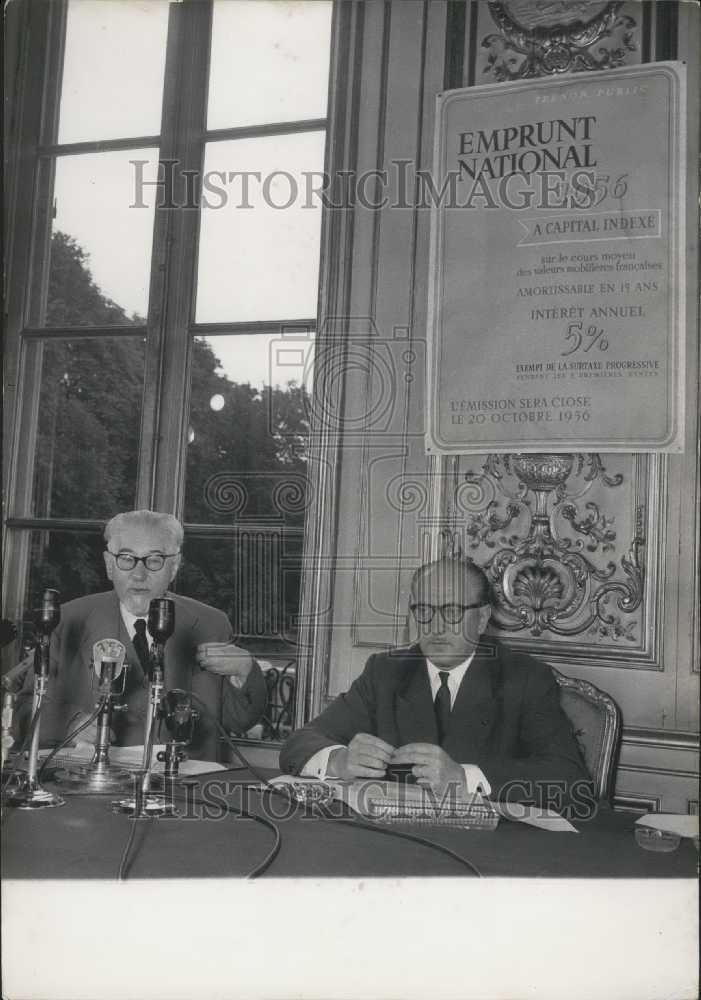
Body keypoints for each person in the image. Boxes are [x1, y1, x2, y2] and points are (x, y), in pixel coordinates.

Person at [280, 556, 593, 810]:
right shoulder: (386, 672)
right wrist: (339, 761)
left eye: (453, 612)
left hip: (486, 856)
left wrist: (465, 778)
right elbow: (300, 743)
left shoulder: (524, 678)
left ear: (483, 619)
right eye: (425, 611)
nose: (437, 626)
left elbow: (571, 783)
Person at [14, 510, 267, 761]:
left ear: (174, 566)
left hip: (181, 786)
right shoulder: (67, 621)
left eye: (154, 560)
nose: (138, 574)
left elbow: (239, 720)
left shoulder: (211, 623)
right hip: (91, 786)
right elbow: (24, 709)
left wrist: (245, 672)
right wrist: (70, 723)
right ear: (109, 565)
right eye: (126, 558)